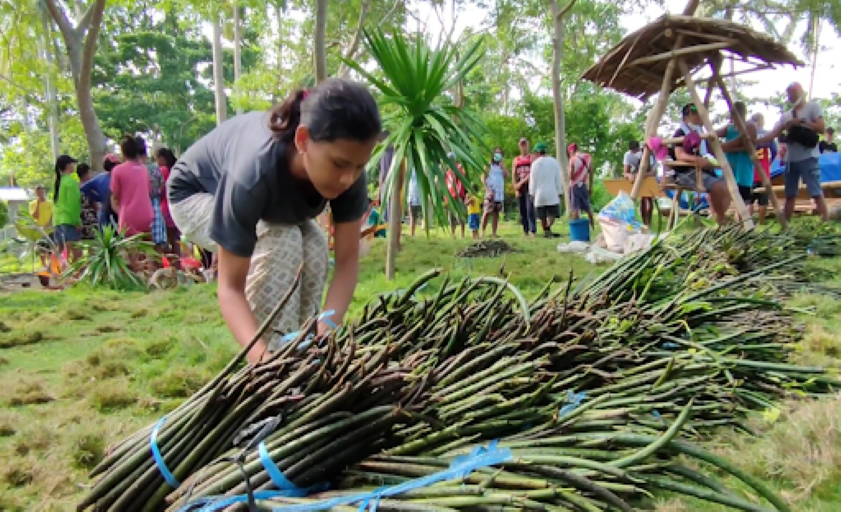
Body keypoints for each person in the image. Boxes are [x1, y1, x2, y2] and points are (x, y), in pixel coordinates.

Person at [167, 78, 381, 363]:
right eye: (340, 165)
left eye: (359, 167)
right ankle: (275, 358)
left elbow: (347, 260)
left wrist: (327, 329)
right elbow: (230, 288)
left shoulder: (348, 165)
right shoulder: (252, 171)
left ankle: (305, 353)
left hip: (271, 209)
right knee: (281, 241)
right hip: (195, 195)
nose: (348, 179)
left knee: (315, 245)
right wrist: (262, 360)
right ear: (303, 140)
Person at [757, 82, 827, 221]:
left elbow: (821, 128)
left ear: (801, 91)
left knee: (816, 193)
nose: (791, 96)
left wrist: (801, 123)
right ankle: (786, 227)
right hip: (791, 160)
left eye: (793, 92)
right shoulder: (786, 116)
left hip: (809, 157)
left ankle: (825, 224)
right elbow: (773, 134)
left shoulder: (813, 107)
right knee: (790, 195)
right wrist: (754, 140)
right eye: (789, 94)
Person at [668, 103, 731, 224]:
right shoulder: (680, 133)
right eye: (694, 113)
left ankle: (718, 215)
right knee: (717, 187)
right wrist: (697, 160)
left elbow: (710, 151)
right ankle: (721, 218)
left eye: (699, 113)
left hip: (705, 170)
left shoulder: (701, 132)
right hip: (687, 173)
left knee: (729, 184)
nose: (698, 116)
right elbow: (679, 155)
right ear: (686, 116)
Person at [714, 101, 757, 222]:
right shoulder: (729, 127)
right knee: (726, 193)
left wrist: (723, 146)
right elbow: (714, 134)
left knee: (743, 197)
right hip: (730, 165)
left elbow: (743, 140)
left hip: (743, 166)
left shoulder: (750, 126)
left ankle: (744, 224)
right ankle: (721, 220)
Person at [111, 135, 155, 236]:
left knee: (130, 249)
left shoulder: (118, 170)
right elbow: (148, 190)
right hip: (147, 213)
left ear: (123, 152)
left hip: (129, 216)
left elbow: (115, 195)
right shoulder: (144, 169)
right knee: (147, 248)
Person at [135, 136, 167, 251]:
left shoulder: (134, 169)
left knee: (140, 243)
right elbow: (162, 185)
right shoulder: (154, 168)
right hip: (155, 204)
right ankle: (155, 267)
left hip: (138, 206)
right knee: (156, 242)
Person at [528, 142, 562, 238]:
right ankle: (548, 227)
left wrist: (532, 193)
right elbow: (558, 178)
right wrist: (559, 191)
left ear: (538, 152)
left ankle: (546, 229)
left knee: (542, 215)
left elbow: (533, 180)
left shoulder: (535, 164)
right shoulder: (554, 162)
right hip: (552, 192)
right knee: (552, 214)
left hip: (539, 193)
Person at [52, 154, 82, 260]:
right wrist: (77, 222)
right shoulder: (71, 182)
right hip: (69, 220)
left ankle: (54, 272)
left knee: (59, 249)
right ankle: (76, 274)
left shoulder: (57, 183)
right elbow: (74, 204)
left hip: (57, 220)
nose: (73, 166)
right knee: (77, 251)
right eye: (72, 163)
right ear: (68, 165)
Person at [750, 113, 778, 223]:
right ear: (762, 121)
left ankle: (749, 222)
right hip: (764, 171)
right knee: (763, 200)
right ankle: (761, 221)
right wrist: (769, 162)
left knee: (749, 200)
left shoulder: (749, 135)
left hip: (750, 171)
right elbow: (774, 151)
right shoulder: (768, 135)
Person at [82, 154, 121, 228]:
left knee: (105, 238)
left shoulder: (100, 178)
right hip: (118, 212)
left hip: (104, 212)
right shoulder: (120, 178)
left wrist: (97, 198)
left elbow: (84, 188)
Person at [623, 141, 656, 226]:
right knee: (638, 200)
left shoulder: (648, 154)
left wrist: (642, 174)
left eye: (636, 151)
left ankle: (648, 222)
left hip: (647, 176)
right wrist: (629, 175)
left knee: (648, 200)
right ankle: (641, 222)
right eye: (632, 151)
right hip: (636, 176)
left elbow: (653, 172)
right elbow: (625, 172)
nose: (634, 153)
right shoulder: (628, 155)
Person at [155, 147, 181, 255]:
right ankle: (177, 265)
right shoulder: (176, 169)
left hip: (165, 209)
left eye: (156, 159)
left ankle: (169, 267)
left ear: (162, 158)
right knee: (176, 240)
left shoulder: (163, 170)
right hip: (176, 208)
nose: (156, 162)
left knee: (165, 242)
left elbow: (160, 191)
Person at [567, 143, 595, 228]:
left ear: (571, 151)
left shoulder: (573, 159)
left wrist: (570, 169)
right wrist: (590, 187)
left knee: (575, 208)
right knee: (587, 207)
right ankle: (592, 226)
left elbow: (571, 177)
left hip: (574, 186)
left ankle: (576, 230)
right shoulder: (588, 157)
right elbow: (591, 173)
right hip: (583, 185)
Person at [512, 138, 536, 237]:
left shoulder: (531, 158)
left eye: (525, 144)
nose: (523, 147)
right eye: (522, 145)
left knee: (529, 208)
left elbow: (533, 172)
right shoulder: (516, 160)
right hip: (519, 186)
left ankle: (532, 230)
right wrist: (515, 187)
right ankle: (525, 230)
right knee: (522, 209)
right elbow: (514, 174)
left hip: (529, 184)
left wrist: (522, 181)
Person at [481, 147, 506, 238]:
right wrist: (488, 190)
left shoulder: (501, 166)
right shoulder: (488, 165)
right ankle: (482, 232)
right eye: (496, 153)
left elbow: (506, 176)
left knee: (496, 213)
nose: (498, 155)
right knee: (487, 212)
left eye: (500, 153)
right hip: (490, 192)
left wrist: (502, 166)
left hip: (499, 193)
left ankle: (494, 233)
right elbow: (483, 178)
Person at [29, 185, 54, 268]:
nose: (40, 193)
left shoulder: (50, 203)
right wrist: (38, 204)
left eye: (42, 191)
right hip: (39, 229)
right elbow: (35, 216)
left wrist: (49, 224)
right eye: (38, 192)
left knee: (51, 248)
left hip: (49, 229)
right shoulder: (33, 204)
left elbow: (52, 215)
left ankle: (50, 265)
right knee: (41, 248)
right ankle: (44, 265)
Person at [445, 153, 466, 238]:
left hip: (458, 196)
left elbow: (461, 181)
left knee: (460, 215)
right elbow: (447, 184)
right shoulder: (448, 171)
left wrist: (457, 194)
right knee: (451, 216)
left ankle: (462, 234)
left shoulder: (459, 168)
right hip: (450, 197)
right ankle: (453, 233)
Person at [76, 164, 99, 240]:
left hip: (80, 217)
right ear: (85, 174)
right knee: (93, 242)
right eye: (89, 173)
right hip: (90, 217)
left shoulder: (75, 186)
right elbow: (95, 202)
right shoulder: (89, 186)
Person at [407, 170, 422, 236]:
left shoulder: (417, 169)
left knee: (414, 216)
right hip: (413, 195)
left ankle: (412, 233)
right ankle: (412, 233)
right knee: (413, 216)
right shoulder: (412, 169)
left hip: (416, 195)